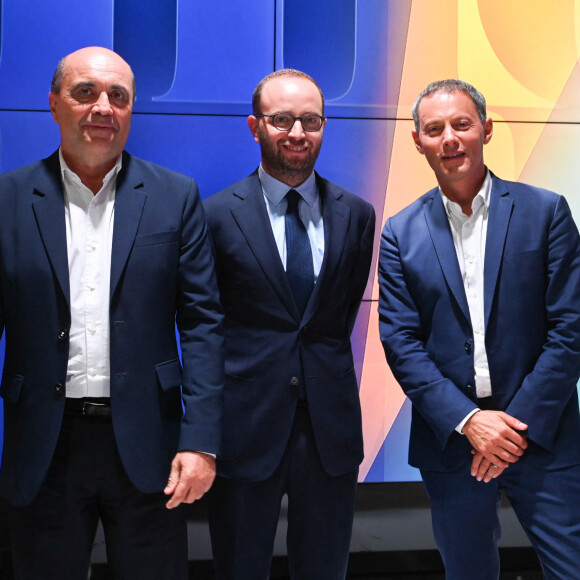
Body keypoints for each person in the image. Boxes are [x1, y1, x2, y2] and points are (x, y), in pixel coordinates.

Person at [0, 46, 224, 579]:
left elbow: (202, 325)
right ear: (54, 104)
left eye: (117, 97)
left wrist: (201, 442)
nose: (103, 107)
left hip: (151, 443)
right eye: (85, 93)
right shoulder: (7, 199)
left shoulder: (175, 196)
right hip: (44, 444)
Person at [378, 78, 580, 579]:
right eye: (434, 128)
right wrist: (471, 423)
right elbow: (401, 343)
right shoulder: (400, 233)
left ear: (486, 130)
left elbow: (571, 327)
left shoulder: (546, 212)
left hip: (543, 433)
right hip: (453, 443)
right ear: (418, 141)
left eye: (461, 124)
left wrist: (510, 429)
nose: (449, 138)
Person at [203, 69, 375, 579]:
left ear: (323, 126)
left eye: (310, 120)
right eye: (281, 120)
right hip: (245, 428)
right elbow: (205, 325)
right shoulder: (214, 215)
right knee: (239, 568)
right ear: (255, 126)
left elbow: (337, 315)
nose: (297, 132)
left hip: (329, 430)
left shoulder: (357, 215)